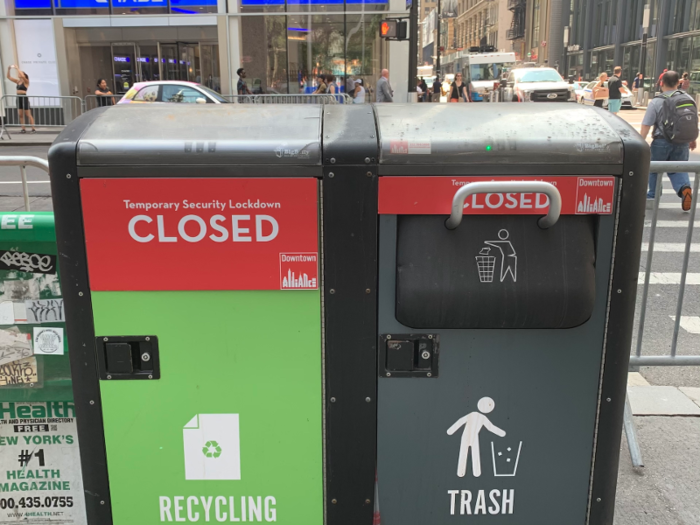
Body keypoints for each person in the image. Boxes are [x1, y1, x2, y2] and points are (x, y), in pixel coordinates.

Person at [641, 70, 695, 211]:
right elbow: (691, 120)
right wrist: (692, 139)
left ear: (661, 83)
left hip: (661, 142)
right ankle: (684, 189)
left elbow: (647, 124)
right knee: (679, 168)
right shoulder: (688, 98)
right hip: (682, 141)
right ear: (678, 83)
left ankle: (653, 195)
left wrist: (641, 142)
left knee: (654, 170)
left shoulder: (657, 101)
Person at [6, 65, 36, 134]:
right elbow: (9, 77)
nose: (19, 74)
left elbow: (22, 76)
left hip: (24, 97)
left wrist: (17, 68)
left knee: (28, 114)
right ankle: (23, 128)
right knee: (20, 114)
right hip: (18, 97)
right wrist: (9, 70)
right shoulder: (18, 81)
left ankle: (33, 128)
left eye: (20, 73)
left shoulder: (26, 81)